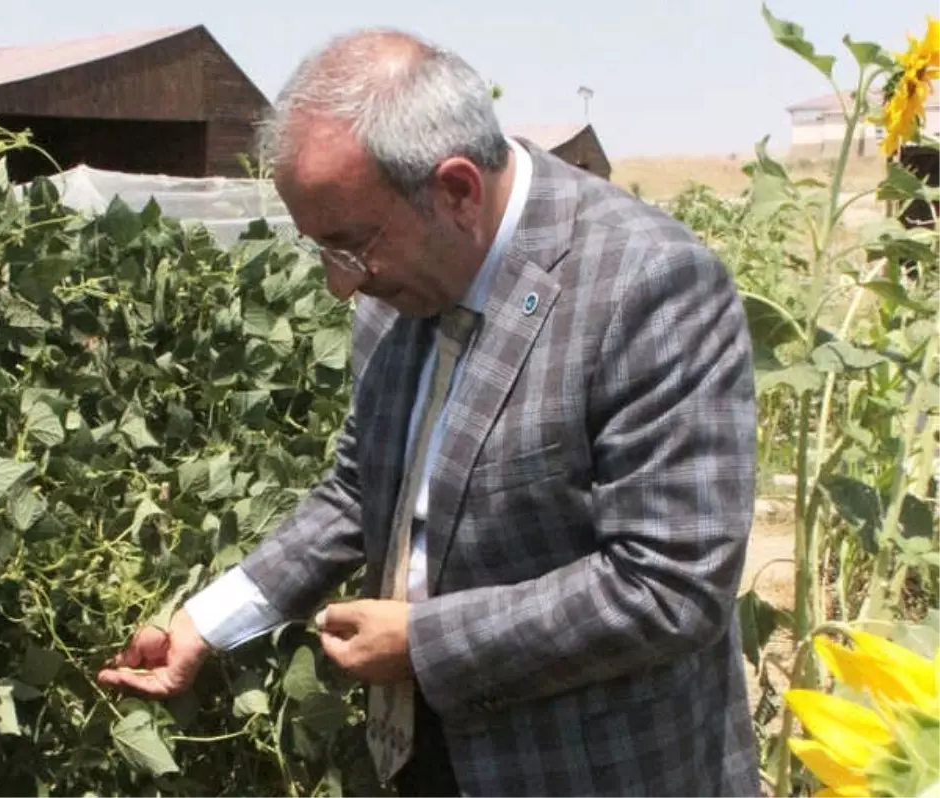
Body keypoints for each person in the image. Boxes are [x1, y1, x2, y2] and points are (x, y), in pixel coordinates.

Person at [99, 27, 761, 797]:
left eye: (349, 245)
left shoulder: (649, 285)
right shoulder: (402, 282)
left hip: (593, 768)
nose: (338, 285)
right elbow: (360, 488)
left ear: (456, 191)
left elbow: (670, 586)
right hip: (424, 755)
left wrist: (425, 645)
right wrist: (207, 623)